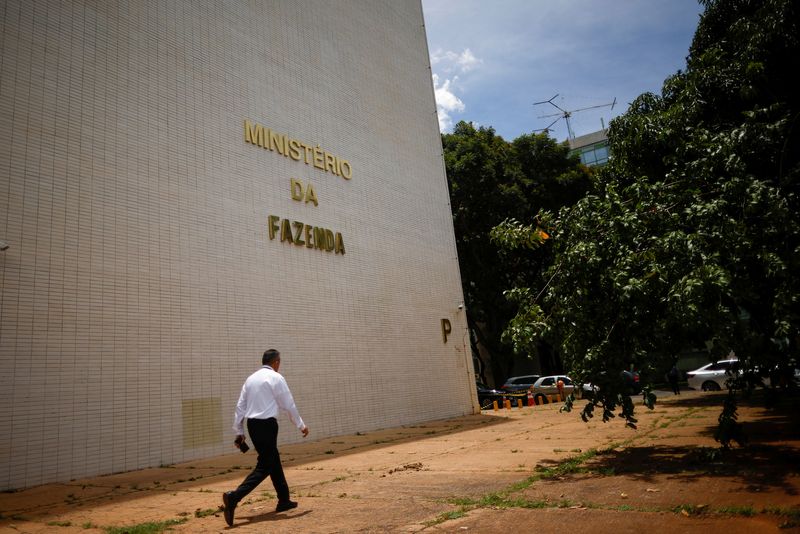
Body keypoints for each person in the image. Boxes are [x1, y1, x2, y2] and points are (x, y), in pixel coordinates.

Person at [223, 349, 309, 527]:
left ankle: (284, 500)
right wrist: (301, 425)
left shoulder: (251, 379)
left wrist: (239, 431)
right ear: (276, 362)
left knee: (272, 459)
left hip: (252, 425)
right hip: (267, 425)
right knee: (265, 465)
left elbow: (240, 406)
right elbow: (288, 404)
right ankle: (234, 497)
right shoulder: (276, 378)